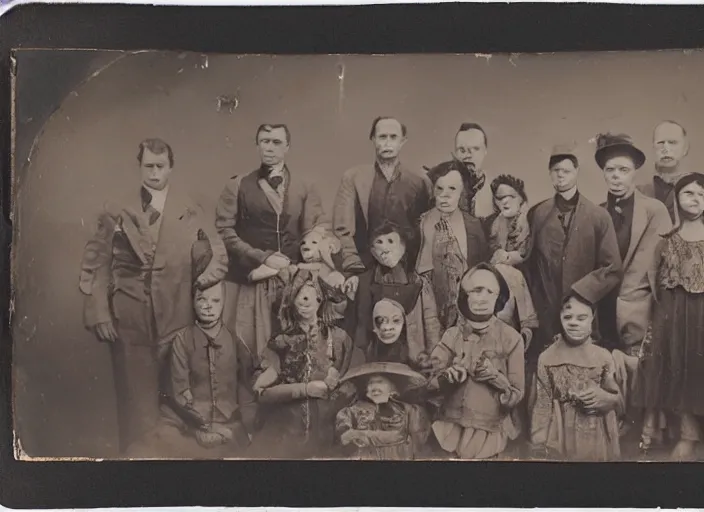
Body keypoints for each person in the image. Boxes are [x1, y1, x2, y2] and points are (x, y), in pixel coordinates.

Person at [78, 138, 228, 455]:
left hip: (177, 314)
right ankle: (136, 466)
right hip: (129, 318)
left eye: (161, 166)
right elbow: (96, 260)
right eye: (149, 166)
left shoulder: (191, 209)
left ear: (171, 167)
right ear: (140, 166)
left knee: (180, 396)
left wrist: (205, 300)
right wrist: (99, 312)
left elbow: (215, 255)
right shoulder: (115, 209)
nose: (155, 173)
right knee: (135, 401)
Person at [215, 123, 326, 370]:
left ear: (287, 147)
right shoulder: (238, 185)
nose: (270, 148)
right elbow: (225, 232)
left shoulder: (305, 187)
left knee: (296, 349)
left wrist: (302, 264)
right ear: (257, 145)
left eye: (276, 142)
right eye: (264, 141)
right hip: (254, 281)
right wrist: (262, 258)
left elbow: (313, 231)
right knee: (255, 351)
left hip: (293, 282)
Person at [592, 133, 672, 432]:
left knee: (637, 366)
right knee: (609, 366)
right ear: (603, 173)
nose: (616, 177)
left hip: (638, 305)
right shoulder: (597, 212)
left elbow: (663, 264)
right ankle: (616, 420)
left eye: (623, 170)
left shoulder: (654, 210)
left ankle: (642, 425)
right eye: (610, 170)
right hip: (604, 304)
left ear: (634, 172)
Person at [145, 235, 251, 458]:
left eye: (215, 302)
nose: (208, 307)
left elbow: (248, 382)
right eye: (201, 300)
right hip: (190, 421)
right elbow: (180, 389)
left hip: (228, 421)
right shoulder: (183, 340)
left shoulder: (233, 340)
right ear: (193, 301)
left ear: (224, 303)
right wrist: (200, 427)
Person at [525, 144, 622, 372]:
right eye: (556, 170)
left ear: (577, 172)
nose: (560, 175)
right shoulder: (538, 214)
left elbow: (612, 267)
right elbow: (530, 264)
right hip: (547, 311)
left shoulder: (598, 215)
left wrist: (581, 292)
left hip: (584, 312)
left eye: (566, 170)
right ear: (550, 174)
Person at [636, 173, 704, 461]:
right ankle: (689, 433)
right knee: (681, 367)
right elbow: (655, 287)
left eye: (702, 193)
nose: (696, 198)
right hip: (675, 317)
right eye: (688, 192)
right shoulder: (665, 243)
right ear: (676, 199)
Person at [250, 272, 355, 459]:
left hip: (326, 432)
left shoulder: (340, 339)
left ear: (320, 299)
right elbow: (261, 393)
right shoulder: (280, 341)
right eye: (297, 296)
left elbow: (351, 387)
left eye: (308, 296)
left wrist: (337, 382)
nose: (303, 302)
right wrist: (304, 389)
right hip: (284, 433)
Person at [427, 263, 525, 460]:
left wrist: (495, 378)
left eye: (491, 292)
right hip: (451, 427)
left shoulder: (511, 338)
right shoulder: (452, 335)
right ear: (465, 295)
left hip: (490, 432)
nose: (483, 298)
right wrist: (448, 376)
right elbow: (429, 382)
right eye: (476, 290)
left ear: (499, 297)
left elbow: (516, 394)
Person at [333, 116, 432, 280]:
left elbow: (427, 227)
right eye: (382, 137)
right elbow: (342, 228)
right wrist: (353, 265)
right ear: (373, 139)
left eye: (393, 137)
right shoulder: (354, 178)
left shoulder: (419, 181)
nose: (387, 143)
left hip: (409, 269)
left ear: (403, 141)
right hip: (364, 268)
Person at [530, 293, 623, 461]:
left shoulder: (604, 357)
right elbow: (542, 403)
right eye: (568, 317)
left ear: (592, 319)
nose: (573, 323)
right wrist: (539, 440)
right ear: (559, 317)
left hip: (597, 433)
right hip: (560, 432)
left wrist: (605, 398)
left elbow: (618, 400)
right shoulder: (546, 357)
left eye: (581, 318)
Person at [347, 221, 441, 368]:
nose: (384, 249)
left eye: (391, 241)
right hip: (375, 355)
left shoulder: (420, 283)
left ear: (403, 247)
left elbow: (431, 323)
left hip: (413, 357)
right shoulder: (365, 282)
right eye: (379, 242)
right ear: (372, 251)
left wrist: (434, 357)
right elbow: (358, 324)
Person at [416, 160, 490, 330]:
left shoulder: (473, 226)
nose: (445, 195)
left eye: (452, 189)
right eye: (439, 189)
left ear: (462, 192)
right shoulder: (421, 223)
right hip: (429, 306)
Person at [335, 362, 430, 460]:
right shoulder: (350, 412)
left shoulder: (411, 411)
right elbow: (344, 439)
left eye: (380, 382)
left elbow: (415, 442)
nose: (374, 387)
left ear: (393, 388)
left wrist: (360, 434)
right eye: (371, 383)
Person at [485, 174, 538, 346]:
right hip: (500, 284)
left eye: (511, 197)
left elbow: (527, 253)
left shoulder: (532, 220)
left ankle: (527, 328)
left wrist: (508, 258)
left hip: (532, 282)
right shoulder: (493, 224)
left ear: (521, 198)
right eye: (500, 198)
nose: (505, 202)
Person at [638, 120, 691, 223]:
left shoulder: (699, 190)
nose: (666, 148)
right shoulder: (638, 193)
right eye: (661, 143)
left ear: (685, 149)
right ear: (653, 148)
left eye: (672, 142)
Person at [452, 122, 494, 219]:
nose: (468, 155)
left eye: (475, 149)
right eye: (462, 150)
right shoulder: (440, 188)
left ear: (485, 151)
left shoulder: (496, 191)